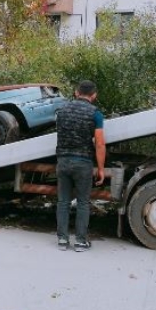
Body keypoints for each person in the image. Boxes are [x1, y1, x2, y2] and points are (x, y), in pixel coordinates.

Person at [55, 80, 106, 252]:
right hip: (83, 162)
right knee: (83, 202)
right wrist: (100, 169)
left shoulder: (61, 111)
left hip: (62, 161)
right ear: (94, 95)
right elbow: (99, 143)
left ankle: (62, 240)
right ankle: (80, 242)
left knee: (63, 201)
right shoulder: (95, 114)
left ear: (76, 92)